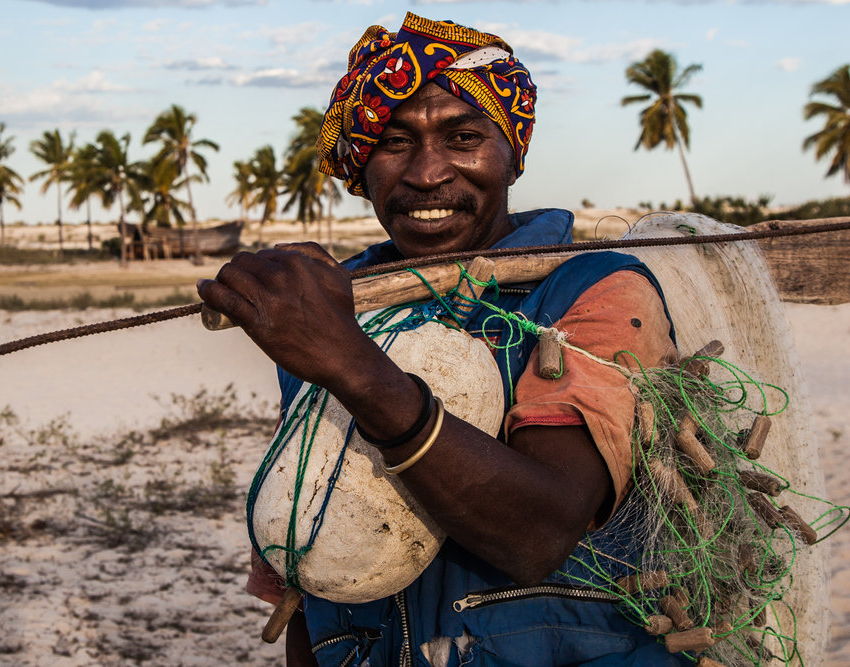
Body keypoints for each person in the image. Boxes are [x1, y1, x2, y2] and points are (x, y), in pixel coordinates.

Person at [198, 12, 682, 667]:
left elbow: (540, 530)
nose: (428, 174)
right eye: (395, 142)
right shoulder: (332, 304)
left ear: (512, 153)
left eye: (462, 135)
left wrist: (352, 364)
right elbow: (305, 576)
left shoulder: (594, 292)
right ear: (361, 164)